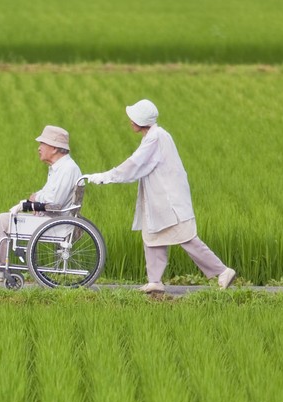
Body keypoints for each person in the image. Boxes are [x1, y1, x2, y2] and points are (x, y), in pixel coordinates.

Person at [83, 100, 236, 293]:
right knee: (152, 235)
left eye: (133, 118)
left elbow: (134, 165)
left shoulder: (156, 138)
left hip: (168, 200)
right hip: (159, 199)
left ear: (141, 121)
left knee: (186, 237)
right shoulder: (153, 136)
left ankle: (222, 271)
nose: (130, 122)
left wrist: (104, 177)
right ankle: (154, 280)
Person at [0, 125, 82, 282]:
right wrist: (34, 199)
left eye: (42, 144)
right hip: (53, 220)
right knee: (7, 218)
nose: (39, 148)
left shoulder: (67, 169)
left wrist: (30, 203)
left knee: (3, 220)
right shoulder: (61, 168)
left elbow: (55, 202)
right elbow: (51, 196)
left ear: (53, 148)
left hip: (55, 224)